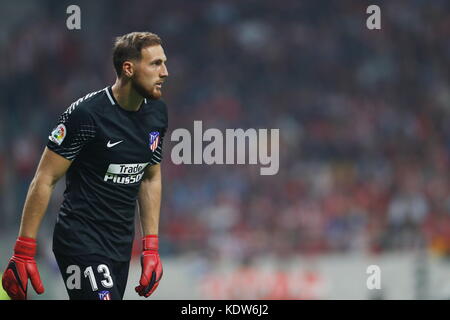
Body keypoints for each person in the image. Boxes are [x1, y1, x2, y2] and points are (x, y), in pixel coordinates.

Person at [1, 31, 169, 300]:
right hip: (80, 240)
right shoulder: (86, 115)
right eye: (155, 64)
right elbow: (45, 178)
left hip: (119, 245)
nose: (165, 72)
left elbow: (150, 178)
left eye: (164, 63)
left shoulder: (157, 114)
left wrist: (150, 247)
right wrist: (23, 249)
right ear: (128, 68)